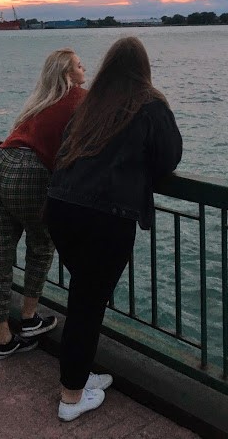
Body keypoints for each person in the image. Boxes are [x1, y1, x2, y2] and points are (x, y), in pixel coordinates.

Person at [46, 36, 182, 422]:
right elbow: (170, 156)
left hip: (60, 206)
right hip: (104, 217)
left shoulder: (90, 102)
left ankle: (81, 375)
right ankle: (71, 397)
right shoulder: (149, 103)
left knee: (83, 296)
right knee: (88, 304)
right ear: (144, 68)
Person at [0, 48, 86, 359]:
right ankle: (28, 318)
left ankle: (2, 337)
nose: (85, 69)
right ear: (69, 76)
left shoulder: (40, 101)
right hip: (30, 172)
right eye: (80, 66)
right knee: (41, 244)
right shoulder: (79, 97)